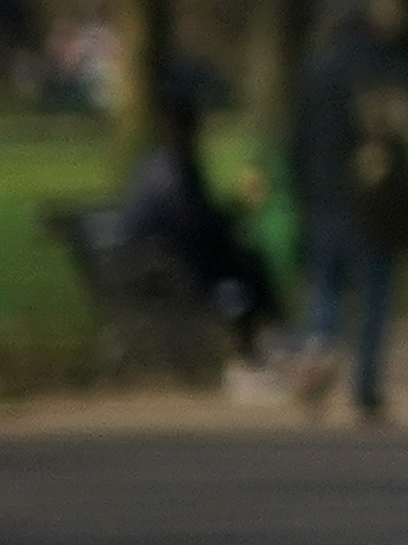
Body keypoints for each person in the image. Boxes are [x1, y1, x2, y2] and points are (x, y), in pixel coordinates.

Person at [287, 0, 408, 423]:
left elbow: (295, 144)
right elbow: (404, 128)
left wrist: (303, 191)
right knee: (375, 297)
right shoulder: (381, 69)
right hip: (373, 202)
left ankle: (319, 346)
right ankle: (365, 384)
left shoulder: (313, 72)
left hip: (323, 200)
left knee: (325, 287)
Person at [113, 68, 284, 350]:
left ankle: (269, 341)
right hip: (169, 268)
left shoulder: (163, 166)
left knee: (245, 265)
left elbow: (200, 219)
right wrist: (232, 219)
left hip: (167, 262)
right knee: (244, 270)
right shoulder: (172, 172)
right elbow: (196, 223)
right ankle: (267, 342)